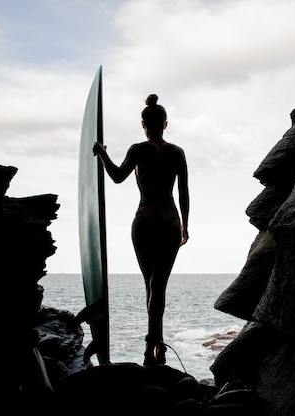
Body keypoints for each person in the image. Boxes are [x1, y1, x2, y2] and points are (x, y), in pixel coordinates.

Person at [93, 93, 189, 367]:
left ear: (144, 124)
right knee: (160, 286)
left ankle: (151, 350)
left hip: (145, 219)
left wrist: (102, 153)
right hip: (170, 220)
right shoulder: (177, 152)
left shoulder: (137, 150)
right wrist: (185, 223)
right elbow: (183, 191)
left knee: (151, 285)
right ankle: (157, 347)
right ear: (165, 124)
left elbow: (116, 176)